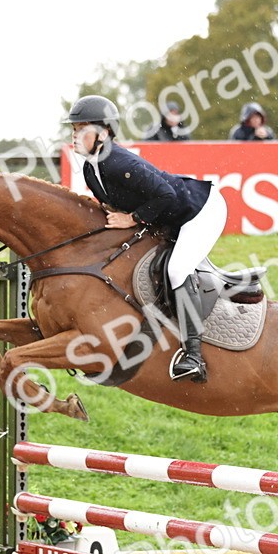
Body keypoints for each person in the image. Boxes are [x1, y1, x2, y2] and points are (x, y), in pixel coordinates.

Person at [65, 94, 227, 383]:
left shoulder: (117, 161)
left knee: (177, 270)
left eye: (81, 129)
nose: (74, 136)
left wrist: (133, 218)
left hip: (200, 211)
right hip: (170, 215)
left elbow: (166, 194)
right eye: (74, 129)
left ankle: (193, 356)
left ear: (103, 133)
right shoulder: (91, 169)